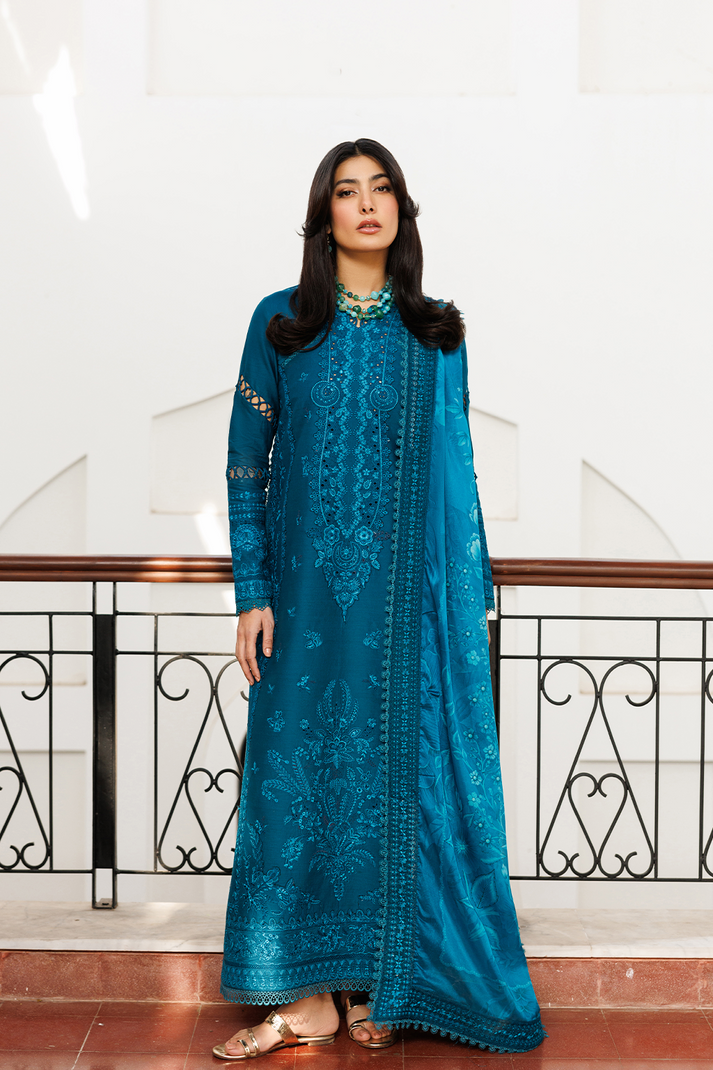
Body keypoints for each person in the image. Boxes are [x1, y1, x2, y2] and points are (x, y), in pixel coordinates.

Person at [214, 139, 545, 1060]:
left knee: (392, 785)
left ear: (401, 208)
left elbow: (456, 478)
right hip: (303, 610)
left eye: (381, 188)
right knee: (299, 782)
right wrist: (252, 592)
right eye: (345, 191)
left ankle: (382, 981)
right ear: (322, 217)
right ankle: (306, 998)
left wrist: (460, 605)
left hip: (407, 619)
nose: (366, 204)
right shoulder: (282, 322)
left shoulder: (436, 332)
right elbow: (244, 465)